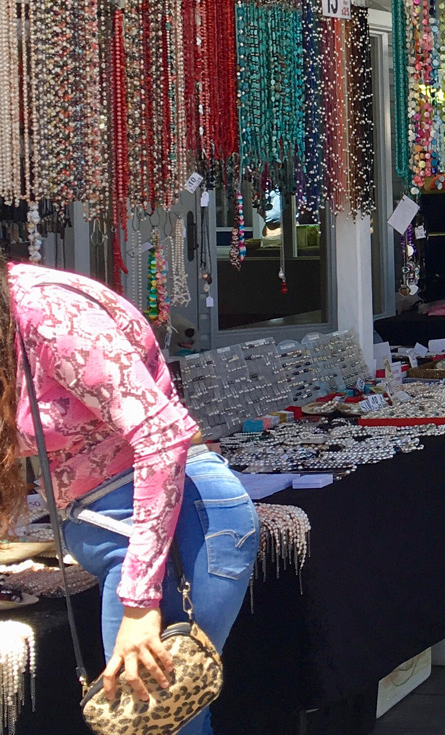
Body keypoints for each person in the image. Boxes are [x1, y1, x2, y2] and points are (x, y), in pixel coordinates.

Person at [0, 258, 258, 734]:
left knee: (151, 723)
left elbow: (162, 435)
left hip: (180, 534)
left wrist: (140, 604)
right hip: (136, 536)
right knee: (164, 723)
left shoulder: (47, 310)